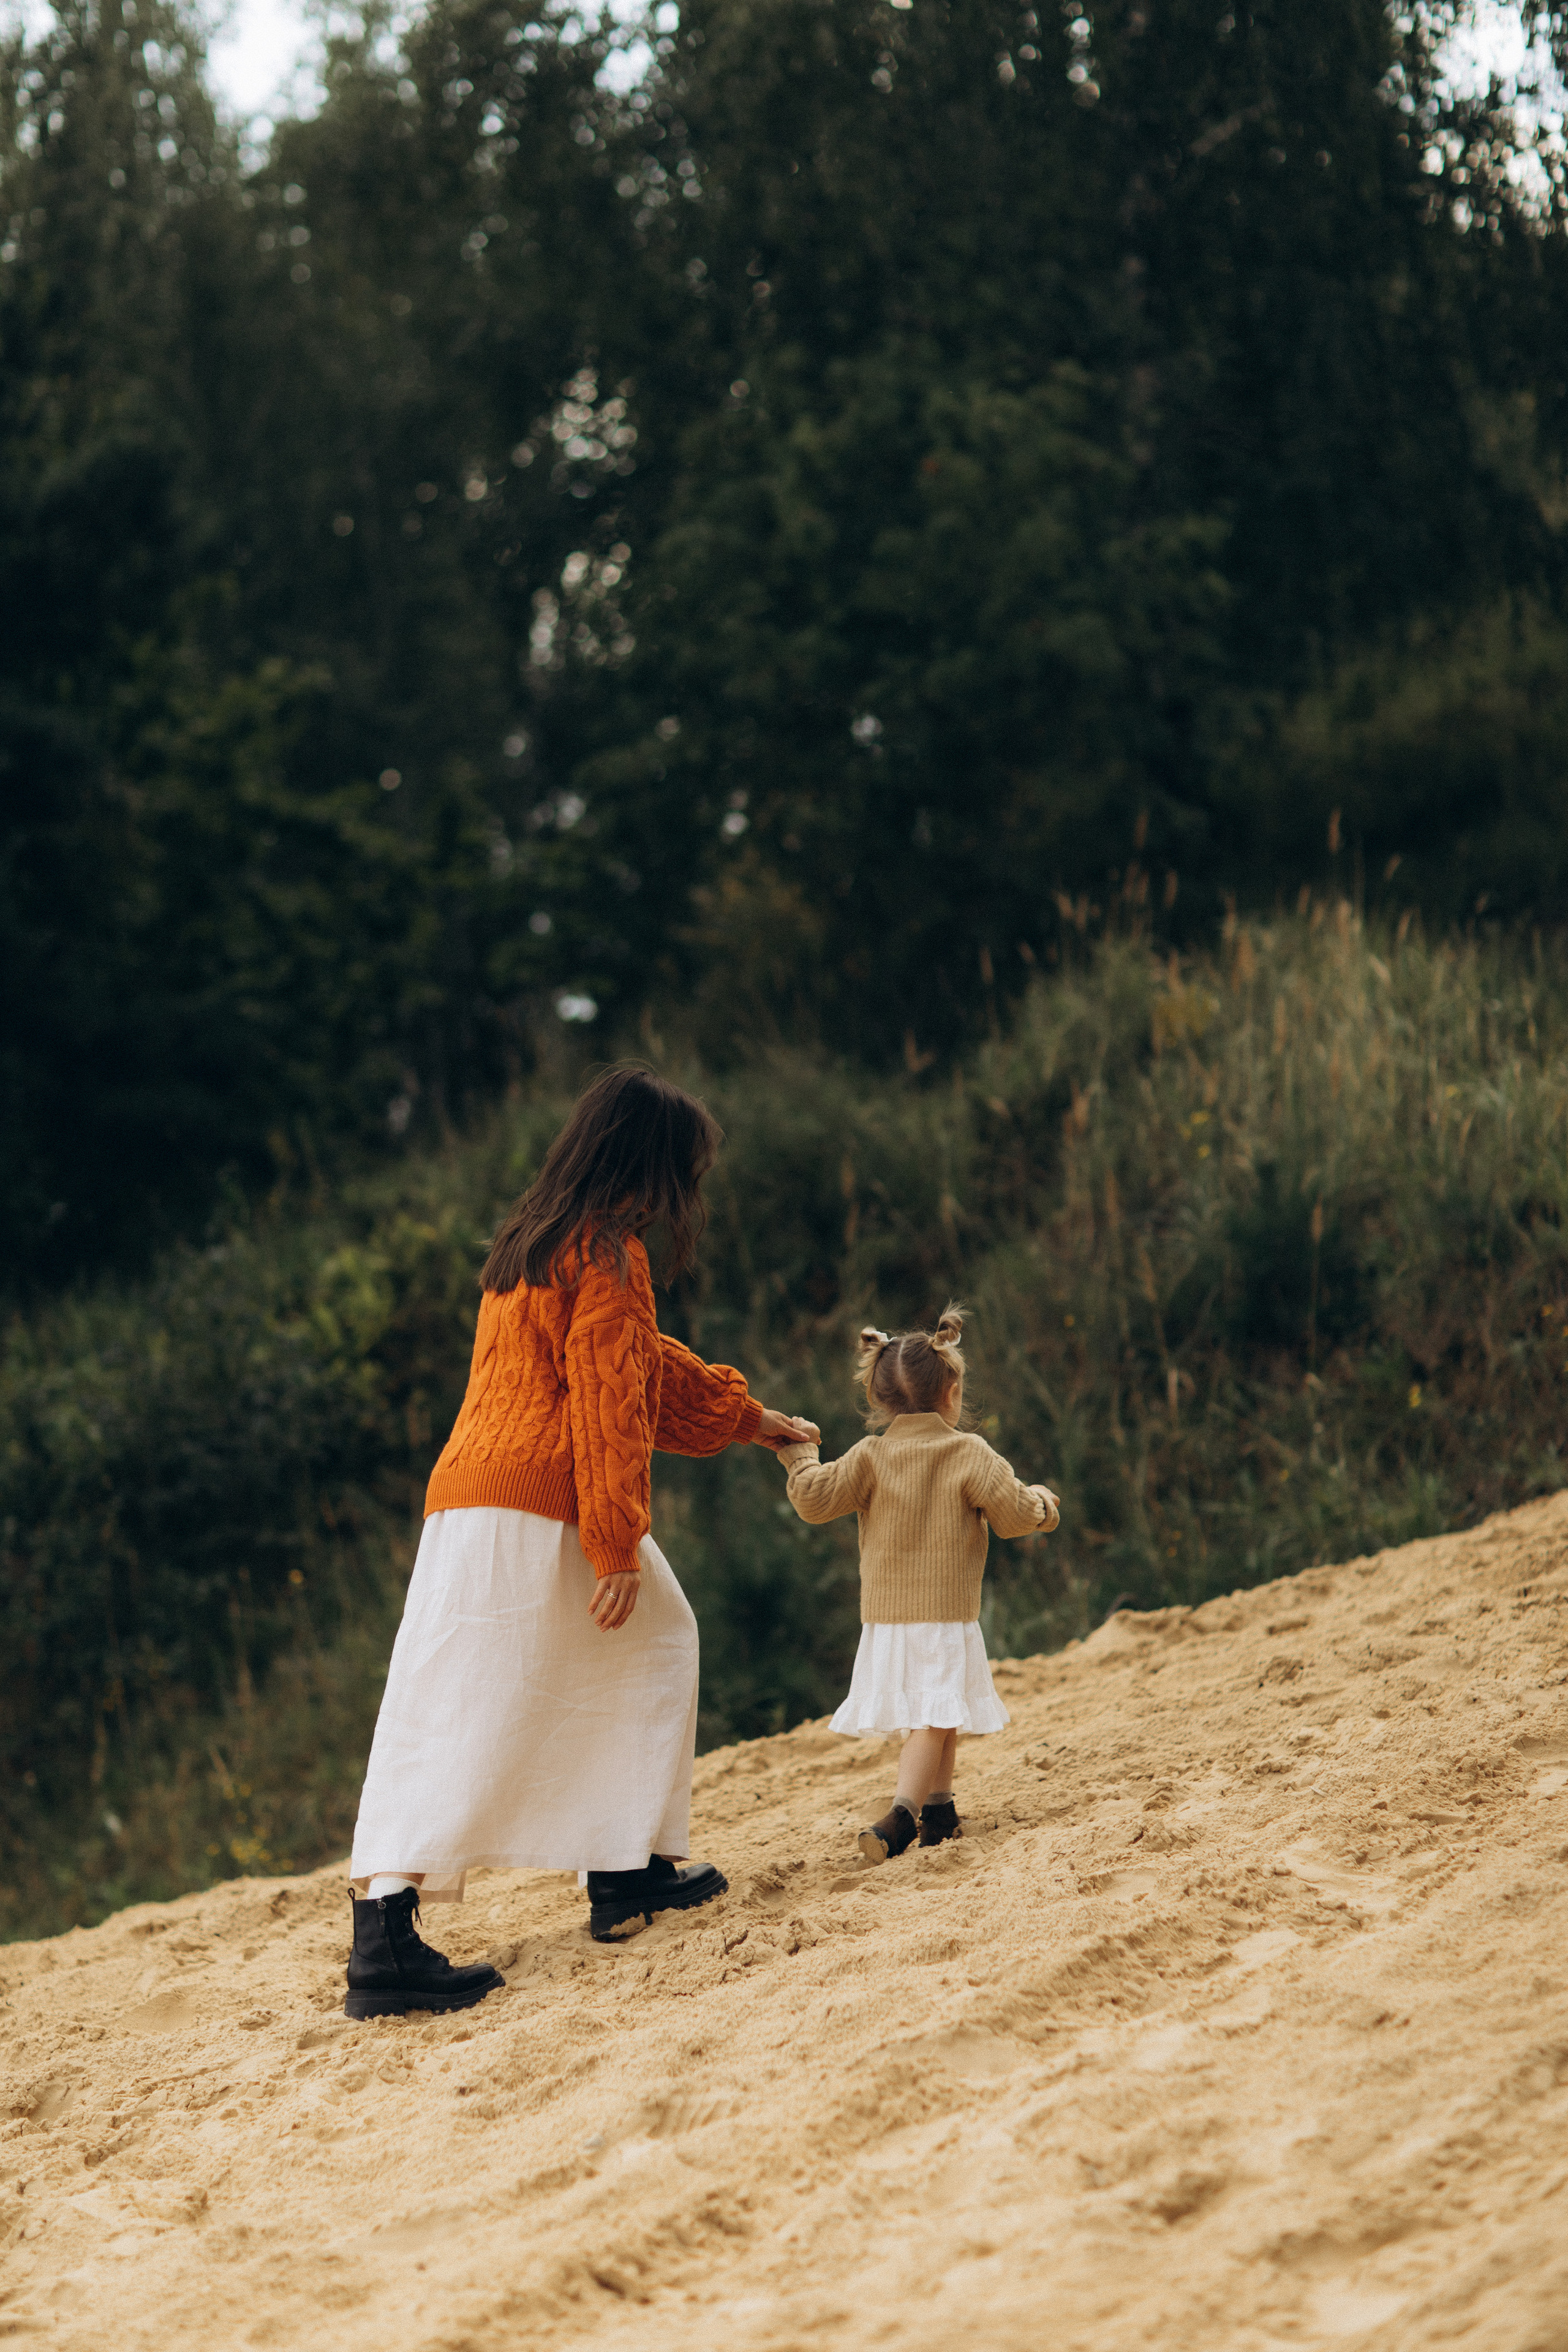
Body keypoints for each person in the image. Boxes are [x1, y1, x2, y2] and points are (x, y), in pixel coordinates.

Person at [343, 1065, 817, 2018]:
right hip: (540, 1504)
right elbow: (608, 1402)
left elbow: (633, 1361)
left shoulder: (532, 1245)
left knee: (449, 1703)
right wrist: (614, 1541)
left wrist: (748, 1418)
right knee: (640, 1646)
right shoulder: (609, 1252)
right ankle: (594, 1884)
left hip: (467, 1503)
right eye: (684, 1168)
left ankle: (576, 1883)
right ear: (649, 1165)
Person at [775, 1305, 1058, 1863]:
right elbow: (1013, 1516)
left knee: (940, 1712)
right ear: (951, 1391)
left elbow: (812, 1499)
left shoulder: (870, 1456)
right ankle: (899, 1817)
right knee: (933, 1719)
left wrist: (799, 1454)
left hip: (886, 1619)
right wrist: (1045, 1506)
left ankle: (940, 1812)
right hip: (945, 1616)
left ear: (878, 1399)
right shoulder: (968, 1452)